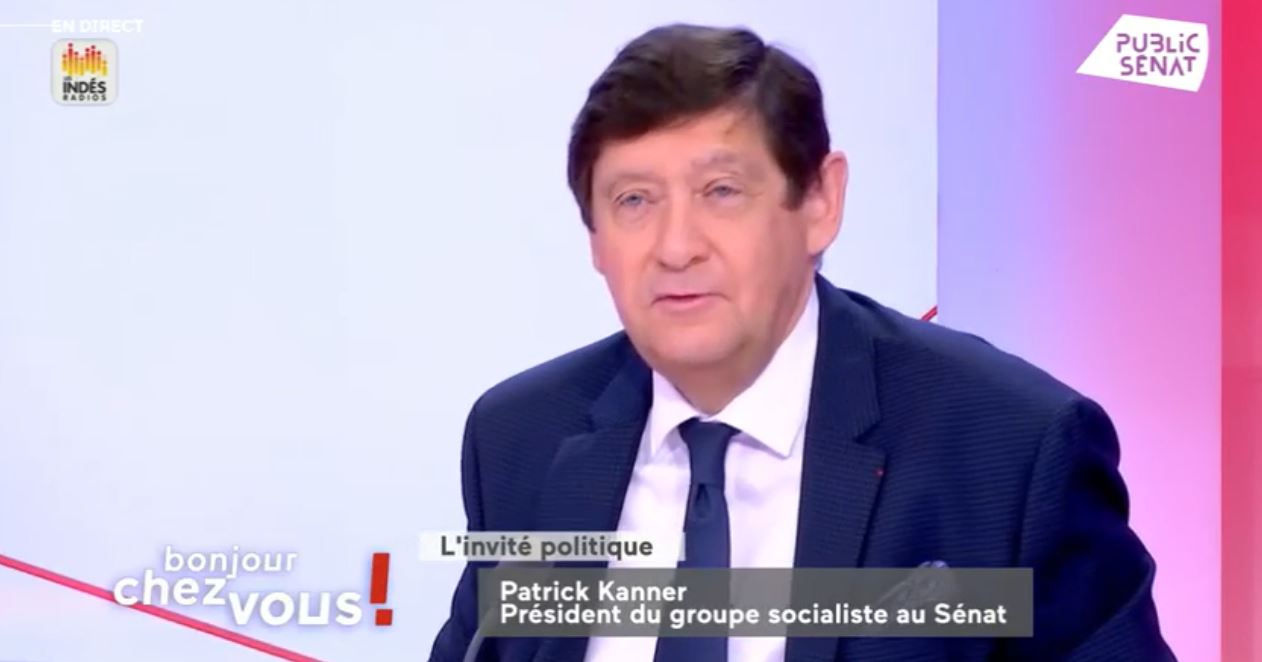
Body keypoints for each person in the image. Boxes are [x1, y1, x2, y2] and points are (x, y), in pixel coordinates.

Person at [429, 23, 1173, 662]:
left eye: (722, 191)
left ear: (820, 202)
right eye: (634, 201)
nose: (676, 247)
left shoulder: (1008, 448)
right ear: (595, 238)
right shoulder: (524, 439)